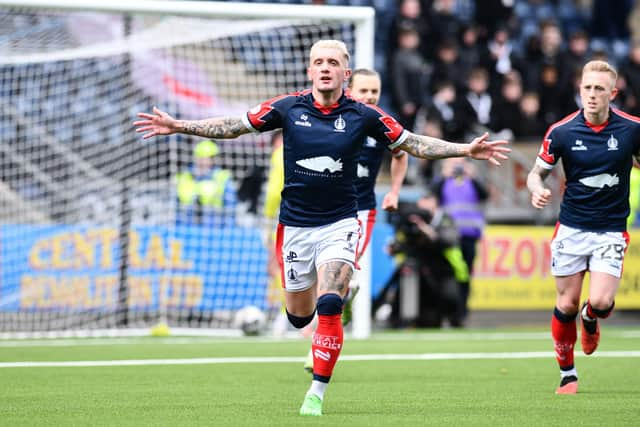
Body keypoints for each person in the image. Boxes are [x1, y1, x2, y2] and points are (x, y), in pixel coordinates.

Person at [134, 39, 510, 416]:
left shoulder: (365, 115)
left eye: (333, 62)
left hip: (341, 222)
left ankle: (316, 391)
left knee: (330, 302)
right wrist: (179, 126)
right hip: (295, 226)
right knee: (299, 313)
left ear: (345, 73)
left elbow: (412, 144)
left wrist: (464, 150)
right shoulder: (287, 107)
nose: (325, 67)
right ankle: (307, 322)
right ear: (310, 70)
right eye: (319, 62)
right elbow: (234, 126)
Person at [526, 60, 640, 395]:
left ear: (613, 93)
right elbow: (536, 173)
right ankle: (568, 375)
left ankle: (591, 319)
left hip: (610, 229)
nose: (592, 94)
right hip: (572, 228)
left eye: (599, 89)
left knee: (601, 302)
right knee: (566, 305)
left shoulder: (632, 130)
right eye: (587, 88)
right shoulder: (561, 131)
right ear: (580, 89)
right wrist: (537, 189)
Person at [302, 67, 409, 372]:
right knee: (314, 284)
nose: (370, 96)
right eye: (364, 91)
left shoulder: (379, 124)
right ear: (349, 89)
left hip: (360, 211)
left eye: (375, 91)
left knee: (334, 280)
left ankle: (319, 345)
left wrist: (395, 192)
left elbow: (402, 153)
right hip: (320, 210)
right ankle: (341, 306)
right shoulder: (333, 120)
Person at [431, 156, 489, 323]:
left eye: (461, 162)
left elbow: (484, 195)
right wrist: (443, 175)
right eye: (453, 162)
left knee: (465, 275)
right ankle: (445, 312)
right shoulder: (443, 181)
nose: (457, 166)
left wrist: (474, 176)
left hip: (469, 235)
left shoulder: (472, 181)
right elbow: (432, 194)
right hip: (447, 237)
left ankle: (461, 312)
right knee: (446, 275)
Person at [175, 139, 237, 226]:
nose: (204, 161)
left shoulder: (222, 178)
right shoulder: (183, 177)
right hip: (187, 231)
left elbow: (231, 210)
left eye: (209, 158)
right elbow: (176, 210)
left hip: (214, 231)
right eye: (201, 157)